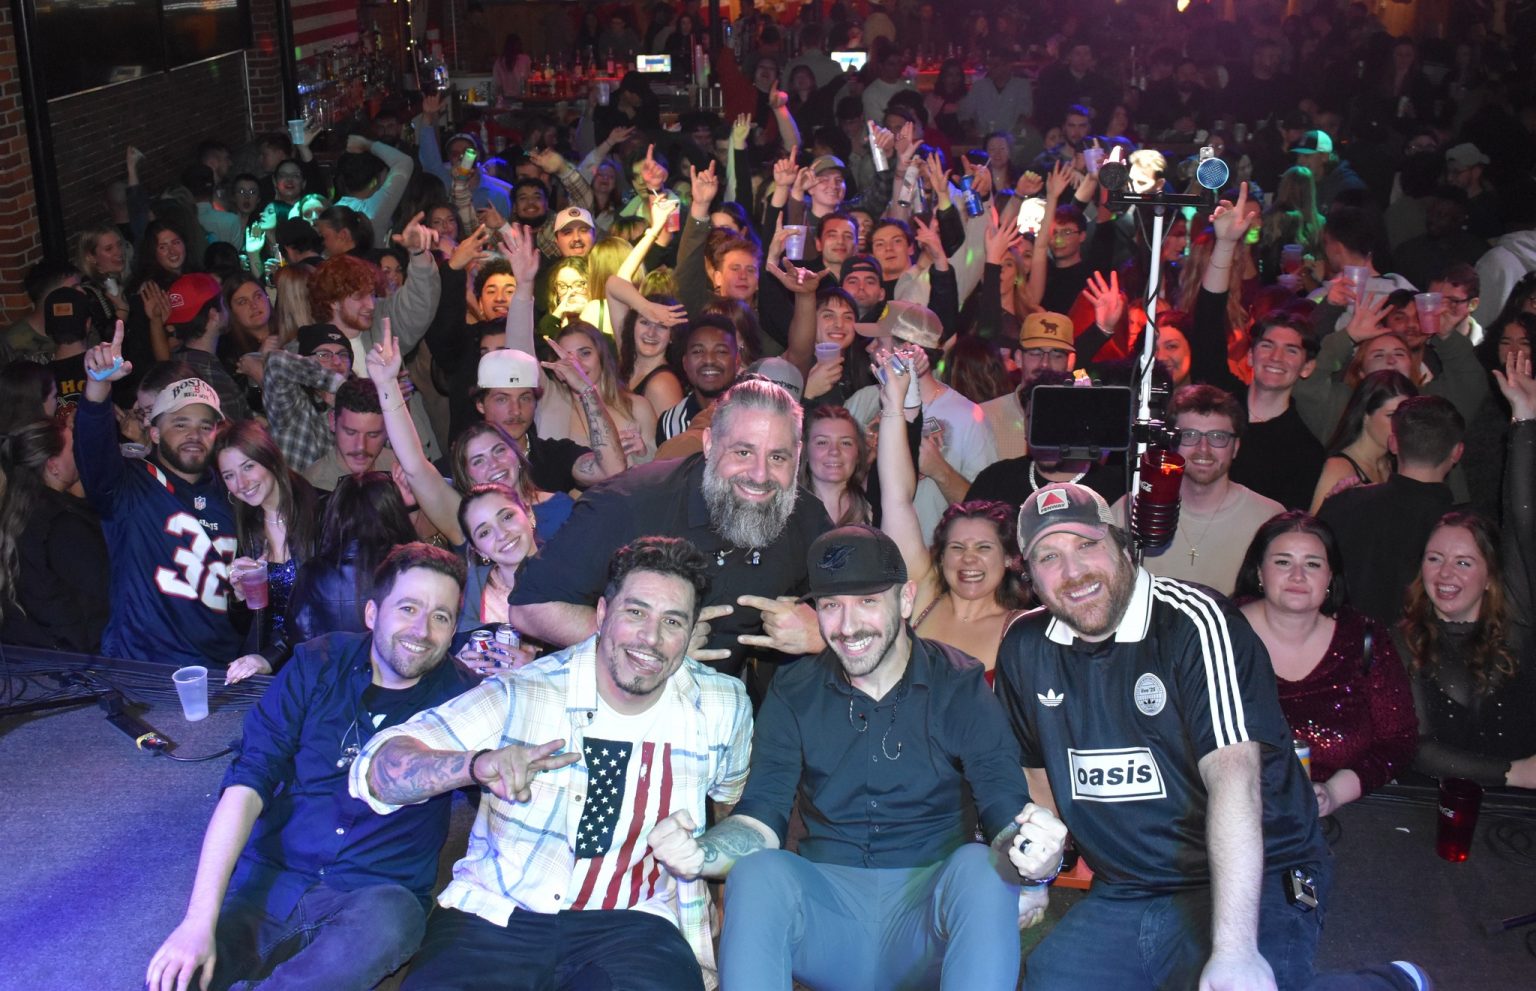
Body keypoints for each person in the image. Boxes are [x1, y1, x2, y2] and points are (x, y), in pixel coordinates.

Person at [995, 482, 1430, 991]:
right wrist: (1038, 871)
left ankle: (1390, 984)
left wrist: (1234, 951)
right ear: (1029, 575)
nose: (1073, 572)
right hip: (1129, 885)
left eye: (1087, 545)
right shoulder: (1025, 644)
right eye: (1049, 556)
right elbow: (1035, 768)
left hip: (1258, 870)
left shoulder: (1193, 621)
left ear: (1122, 545)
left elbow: (1235, 776)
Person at [654, 525, 1063, 990]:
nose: (848, 627)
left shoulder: (959, 685)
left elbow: (1003, 806)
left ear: (905, 601)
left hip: (927, 925)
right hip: (826, 920)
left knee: (979, 868)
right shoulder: (794, 689)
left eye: (868, 601)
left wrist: (1035, 858)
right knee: (759, 873)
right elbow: (761, 813)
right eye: (831, 605)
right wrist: (701, 853)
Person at [351, 537, 752, 990]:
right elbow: (380, 771)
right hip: (496, 913)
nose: (651, 638)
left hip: (636, 923)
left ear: (692, 631)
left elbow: (728, 802)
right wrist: (474, 765)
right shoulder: (524, 690)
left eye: (673, 621)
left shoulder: (722, 705)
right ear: (602, 614)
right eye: (635, 612)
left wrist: (709, 874)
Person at [144, 544, 475, 991]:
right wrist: (197, 922)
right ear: (373, 613)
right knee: (175, 978)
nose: (422, 629)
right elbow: (247, 782)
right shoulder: (315, 664)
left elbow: (505, 792)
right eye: (409, 607)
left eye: (441, 616)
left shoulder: (468, 702)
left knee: (389, 926)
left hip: (374, 897)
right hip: (273, 875)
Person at [509, 378, 832, 677]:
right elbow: (529, 609)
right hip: (609, 703)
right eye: (743, 452)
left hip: (719, 713)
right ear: (709, 444)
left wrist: (824, 632)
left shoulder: (804, 516)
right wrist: (651, 645)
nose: (760, 475)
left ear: (798, 455)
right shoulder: (631, 502)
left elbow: (866, 603)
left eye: (778, 458)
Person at [1396, 350, 1536, 789]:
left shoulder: (1516, 618)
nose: (1445, 573)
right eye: (1434, 559)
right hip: (1434, 812)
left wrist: (1526, 419)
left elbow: (1522, 520)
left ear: (1491, 574)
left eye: (1463, 562)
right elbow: (1415, 748)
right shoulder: (1402, 637)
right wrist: (1515, 773)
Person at [1233, 513, 1417, 816]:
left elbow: (1399, 741)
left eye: (1313, 564)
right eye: (1283, 562)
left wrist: (1333, 793)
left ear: (1330, 578)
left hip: (1343, 818)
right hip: (1234, 811)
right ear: (1259, 572)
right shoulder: (1219, 631)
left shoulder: (1365, 639)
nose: (1297, 575)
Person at [77, 330, 242, 666]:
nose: (194, 436)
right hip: (146, 668)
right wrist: (98, 387)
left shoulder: (236, 489)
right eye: (180, 424)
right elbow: (92, 450)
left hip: (223, 668)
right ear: (153, 431)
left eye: (205, 426)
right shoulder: (129, 485)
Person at [877, 355, 1028, 676]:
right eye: (957, 548)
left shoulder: (1021, 631)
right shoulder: (923, 598)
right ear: (940, 557)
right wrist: (893, 406)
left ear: (1008, 558)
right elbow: (895, 498)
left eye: (984, 548)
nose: (968, 560)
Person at [1113, 385, 1284, 595]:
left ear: (1236, 447)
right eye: (1189, 435)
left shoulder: (1268, 518)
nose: (1203, 448)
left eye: (1218, 437)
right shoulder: (1133, 508)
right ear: (1171, 443)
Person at [1317, 395, 1464, 628]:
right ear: (1457, 452)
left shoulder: (1343, 504)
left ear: (1393, 443)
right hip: (1421, 657)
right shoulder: (1464, 532)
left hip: (1340, 648)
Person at [212, 421, 320, 682]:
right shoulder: (246, 527)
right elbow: (248, 627)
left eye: (248, 466)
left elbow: (325, 611)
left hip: (314, 665)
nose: (241, 483)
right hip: (264, 668)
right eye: (229, 475)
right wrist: (238, 597)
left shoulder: (321, 513)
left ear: (270, 459)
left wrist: (271, 657)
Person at [0, 419, 109, 651]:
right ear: (53, 466)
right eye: (73, 447)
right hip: (72, 662)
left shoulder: (19, 510)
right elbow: (101, 595)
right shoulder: (62, 525)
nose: (81, 451)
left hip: (28, 652)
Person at [285, 472, 417, 645]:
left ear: (336, 514)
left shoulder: (312, 573)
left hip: (328, 670)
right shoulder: (413, 569)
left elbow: (297, 636)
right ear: (395, 513)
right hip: (394, 670)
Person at [1310, 371, 1417, 512]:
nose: (1401, 424)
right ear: (1365, 416)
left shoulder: (1396, 465)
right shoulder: (1338, 468)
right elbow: (1314, 530)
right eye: (1392, 415)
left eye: (1407, 416)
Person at [300, 377, 397, 491]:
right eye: (350, 432)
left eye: (373, 435)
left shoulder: (401, 469)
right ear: (332, 421)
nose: (361, 446)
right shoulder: (312, 488)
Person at [801, 405, 871, 526]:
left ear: (858, 453)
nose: (834, 451)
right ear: (805, 452)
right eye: (822, 442)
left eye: (845, 443)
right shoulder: (784, 513)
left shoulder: (875, 510)